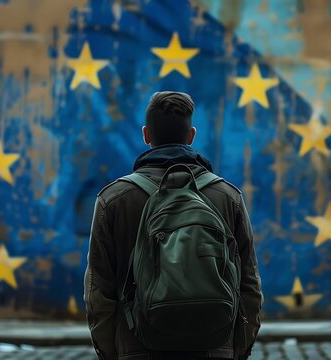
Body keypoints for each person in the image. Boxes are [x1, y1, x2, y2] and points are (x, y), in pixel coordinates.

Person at [84, 91, 263, 359]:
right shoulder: (227, 197)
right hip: (214, 347)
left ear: (146, 135)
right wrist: (236, 350)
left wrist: (113, 352)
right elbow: (249, 286)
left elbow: (98, 291)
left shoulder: (114, 199)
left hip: (137, 349)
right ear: (191, 136)